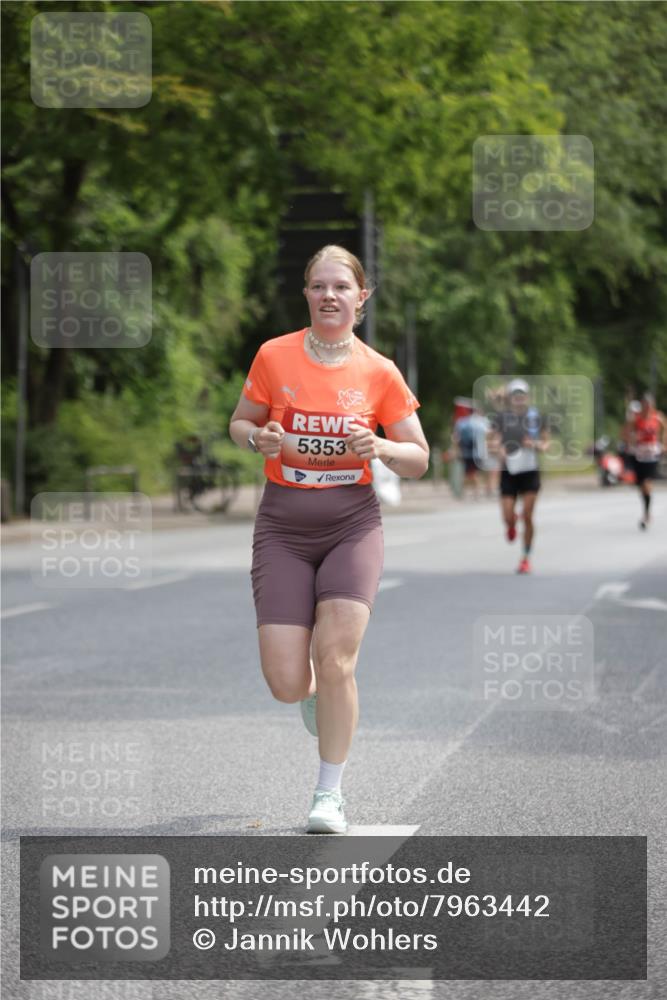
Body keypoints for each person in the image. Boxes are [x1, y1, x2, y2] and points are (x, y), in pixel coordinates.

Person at [228, 245, 429, 834]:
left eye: (341, 286)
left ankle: (328, 794)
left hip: (351, 525)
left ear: (360, 297)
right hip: (284, 527)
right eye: (318, 286)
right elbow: (240, 421)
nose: (329, 296)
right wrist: (255, 439)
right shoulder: (274, 355)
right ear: (307, 295)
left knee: (337, 657)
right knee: (287, 682)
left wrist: (384, 448)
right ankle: (313, 692)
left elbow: (419, 457)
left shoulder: (379, 370)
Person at [489, 379, 550, 574]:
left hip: (530, 470)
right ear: (510, 397)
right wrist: (499, 450)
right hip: (509, 471)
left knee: (529, 516)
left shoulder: (536, 417)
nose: (518, 398)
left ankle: (525, 557)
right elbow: (491, 442)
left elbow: (546, 444)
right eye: (514, 394)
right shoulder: (501, 417)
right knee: (507, 516)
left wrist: (535, 445)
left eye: (521, 394)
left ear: (527, 397)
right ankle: (511, 524)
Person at [626, 392, 666, 530]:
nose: (647, 407)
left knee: (646, 482)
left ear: (652, 405)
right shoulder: (635, 419)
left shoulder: (658, 417)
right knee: (641, 485)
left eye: (649, 405)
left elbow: (664, 430)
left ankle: (646, 514)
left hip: (653, 454)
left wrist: (663, 444)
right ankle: (646, 509)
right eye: (645, 405)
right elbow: (629, 433)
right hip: (639, 454)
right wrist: (631, 444)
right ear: (642, 406)